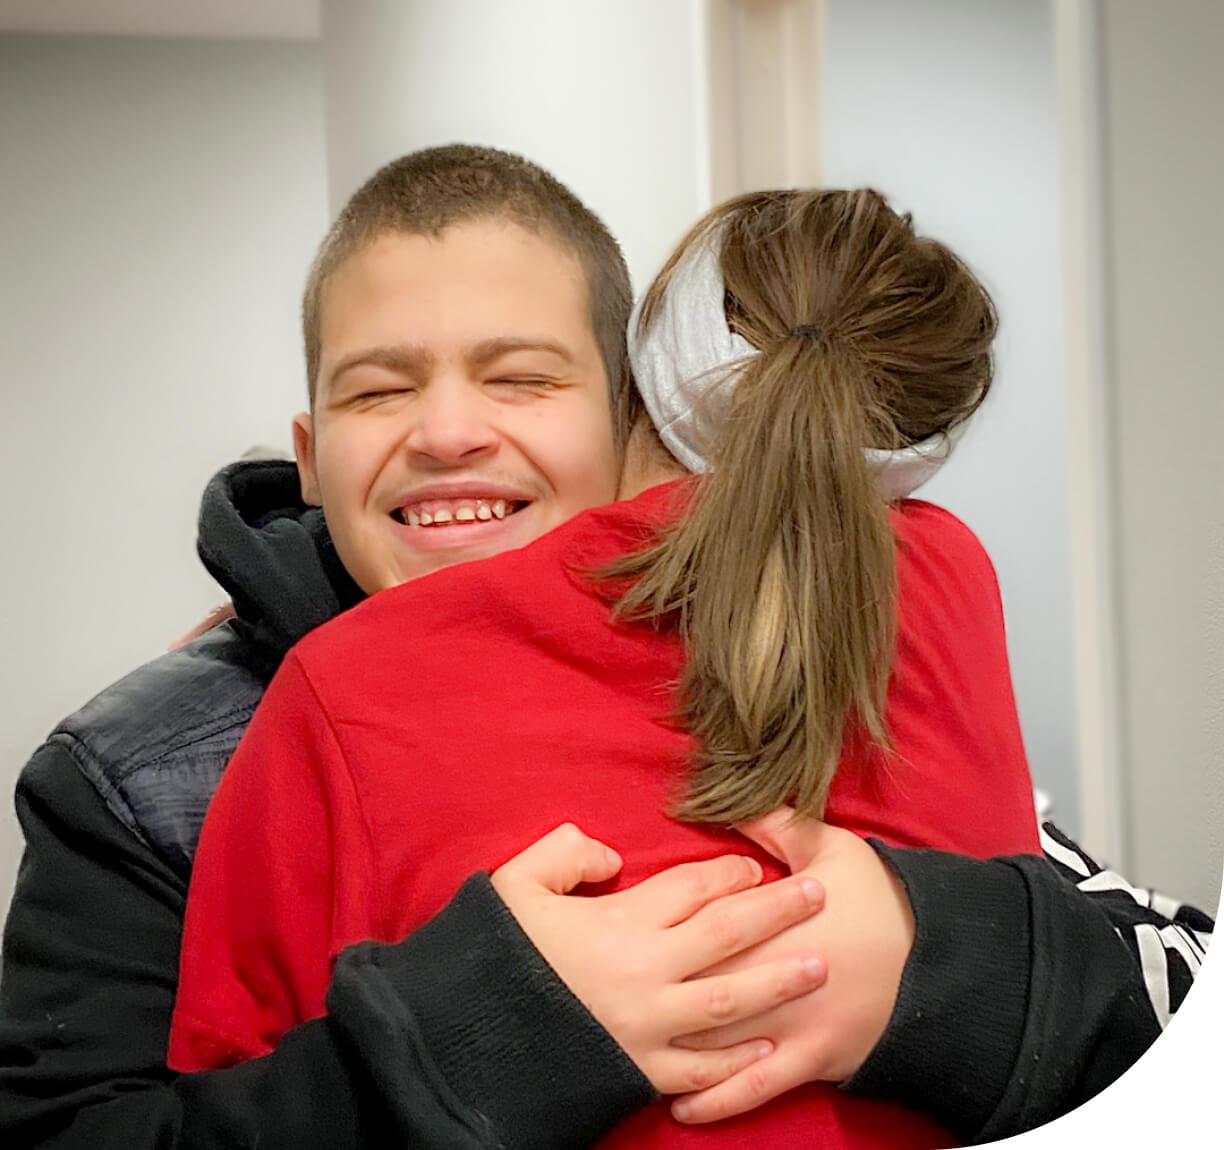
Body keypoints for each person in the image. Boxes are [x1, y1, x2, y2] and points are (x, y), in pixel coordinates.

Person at [0, 146, 1210, 1150]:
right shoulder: (142, 769)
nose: (450, 431)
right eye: (379, 392)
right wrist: (484, 1035)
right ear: (311, 457)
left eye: (522, 378)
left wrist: (943, 960)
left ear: (633, 420)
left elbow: (1180, 985)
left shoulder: (850, 637)